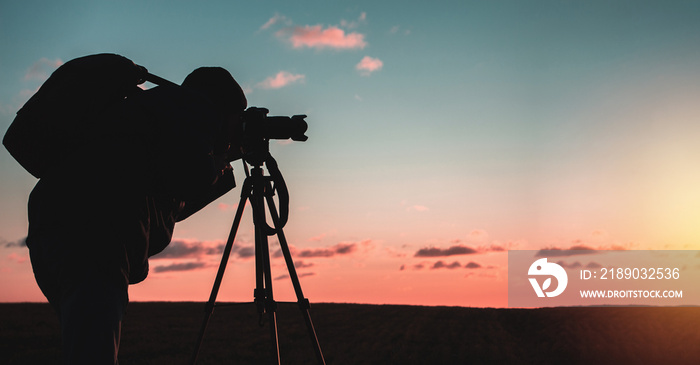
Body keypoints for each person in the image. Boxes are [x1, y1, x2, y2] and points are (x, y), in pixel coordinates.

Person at [22, 55, 247, 364]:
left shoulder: (153, 114)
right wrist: (214, 162)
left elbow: (172, 200)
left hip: (53, 228)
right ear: (223, 108)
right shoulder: (197, 108)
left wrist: (218, 164)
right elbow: (191, 179)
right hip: (94, 240)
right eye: (239, 118)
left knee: (84, 348)